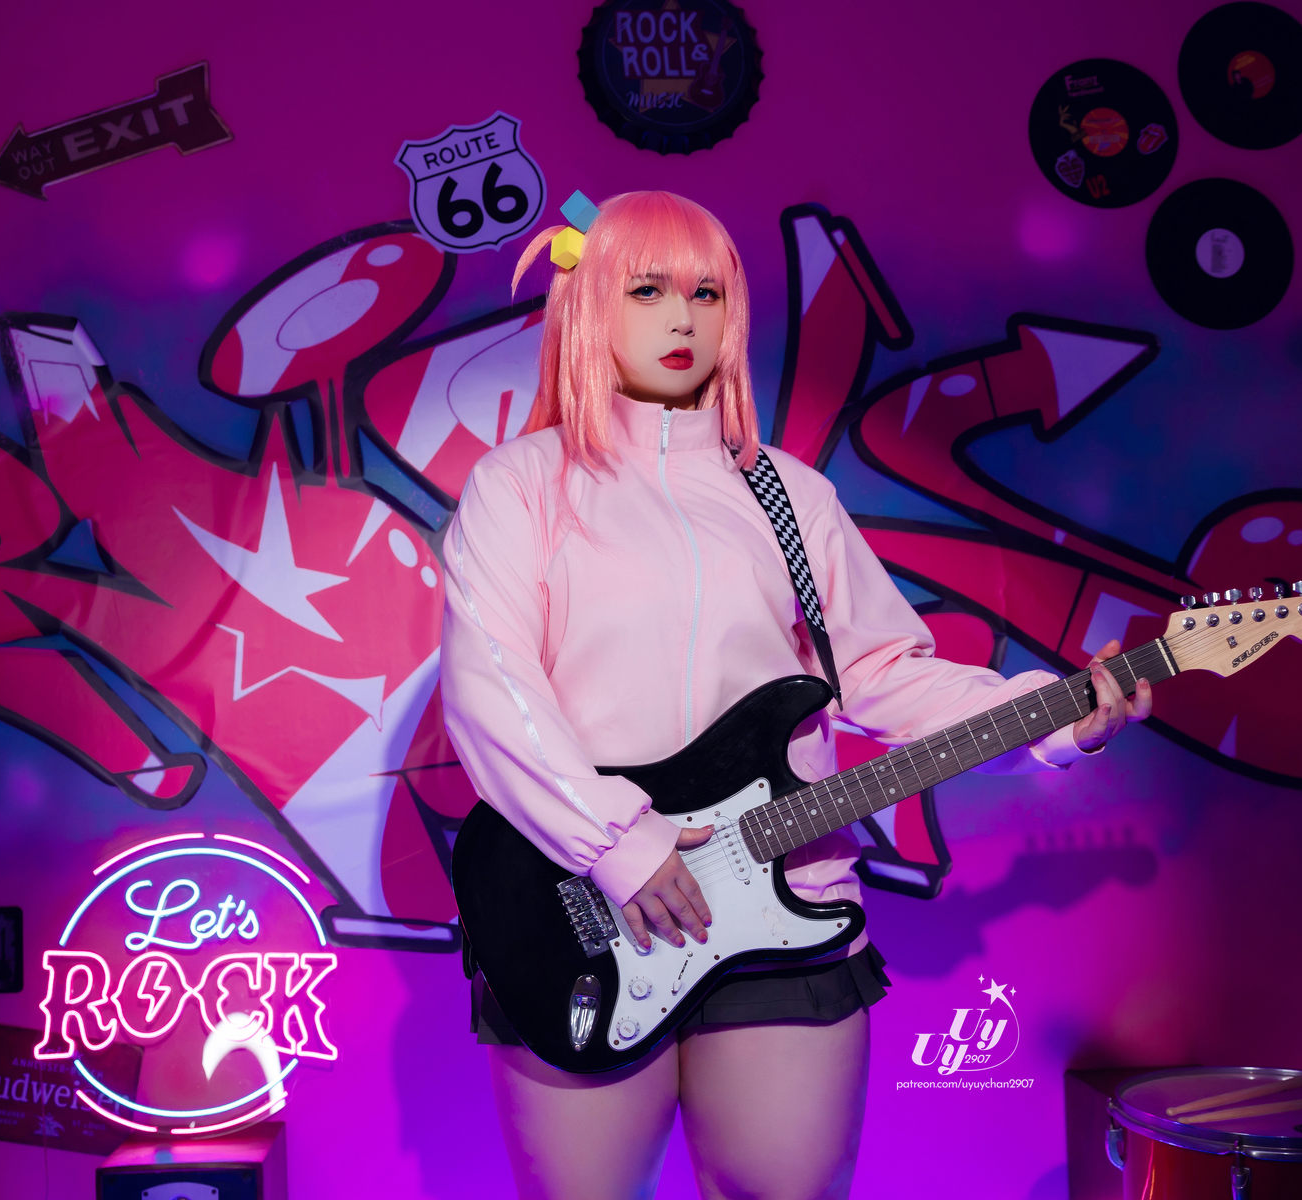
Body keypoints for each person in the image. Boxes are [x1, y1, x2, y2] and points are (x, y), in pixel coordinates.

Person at [438, 190, 1149, 1200]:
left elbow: (884, 674)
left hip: (788, 901)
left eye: (707, 293)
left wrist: (1056, 714)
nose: (683, 318)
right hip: (580, 903)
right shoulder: (521, 484)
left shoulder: (791, 496)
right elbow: (492, 686)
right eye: (647, 291)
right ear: (589, 304)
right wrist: (620, 845)